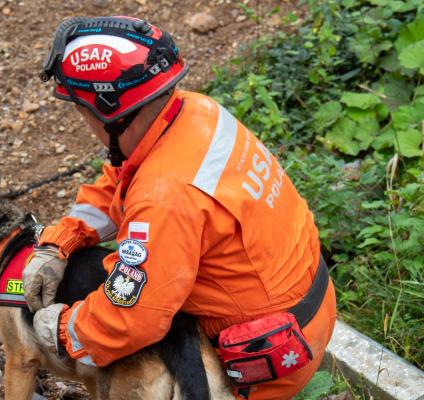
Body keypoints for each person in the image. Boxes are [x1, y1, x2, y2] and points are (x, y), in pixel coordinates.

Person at [23, 16, 337, 400]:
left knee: (137, 340)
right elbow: (118, 184)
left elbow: (133, 316)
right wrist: (59, 241)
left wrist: (63, 330)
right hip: (306, 309)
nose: (82, 120)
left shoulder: (164, 195)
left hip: (266, 356)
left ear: (109, 110)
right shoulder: (193, 111)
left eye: (81, 110)